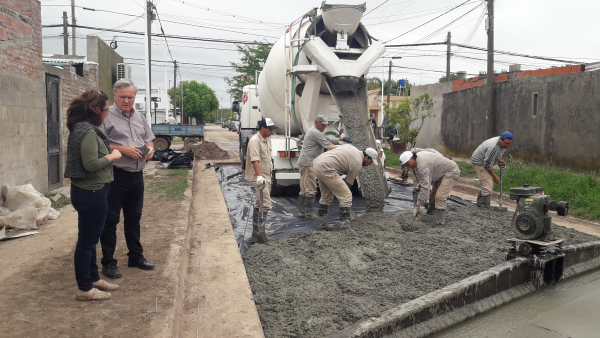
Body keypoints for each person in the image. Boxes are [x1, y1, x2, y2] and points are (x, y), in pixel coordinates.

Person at [64, 89, 122, 301]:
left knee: (89, 239)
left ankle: (94, 278)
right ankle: (85, 289)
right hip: (92, 193)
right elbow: (90, 165)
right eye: (106, 110)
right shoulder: (87, 132)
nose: (108, 114)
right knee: (86, 242)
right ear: (95, 110)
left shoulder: (82, 129)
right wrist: (112, 156)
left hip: (90, 192)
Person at [99, 79, 156, 279]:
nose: (126, 100)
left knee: (134, 218)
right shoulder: (106, 116)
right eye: (122, 96)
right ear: (114, 95)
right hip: (116, 175)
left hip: (137, 175)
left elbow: (148, 138)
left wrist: (150, 149)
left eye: (130, 97)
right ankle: (108, 262)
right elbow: (100, 145)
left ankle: (136, 256)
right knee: (111, 220)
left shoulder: (139, 116)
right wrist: (124, 150)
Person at [313, 145, 379, 230]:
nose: (370, 164)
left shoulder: (350, 147)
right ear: (366, 157)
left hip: (317, 164)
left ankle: (321, 224)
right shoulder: (357, 164)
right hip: (327, 168)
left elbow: (330, 148)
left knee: (326, 197)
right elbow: (347, 183)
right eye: (370, 162)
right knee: (346, 196)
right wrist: (344, 202)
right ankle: (344, 226)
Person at [296, 115, 350, 219]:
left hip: (304, 162)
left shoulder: (317, 131)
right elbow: (328, 146)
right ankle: (309, 214)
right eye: (322, 125)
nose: (324, 127)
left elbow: (328, 139)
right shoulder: (315, 132)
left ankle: (302, 212)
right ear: (316, 123)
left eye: (325, 125)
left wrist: (341, 139)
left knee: (304, 189)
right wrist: (344, 148)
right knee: (310, 189)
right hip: (308, 163)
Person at [399, 150, 460, 225]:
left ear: (411, 158)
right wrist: (418, 186)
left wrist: (418, 206)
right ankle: (431, 213)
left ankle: (440, 222)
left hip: (451, 172)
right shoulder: (417, 160)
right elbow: (422, 180)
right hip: (439, 173)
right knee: (432, 197)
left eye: (407, 164)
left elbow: (425, 187)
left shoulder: (422, 165)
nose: (408, 167)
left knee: (439, 197)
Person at [245, 117, 278, 244]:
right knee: (266, 203)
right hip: (258, 177)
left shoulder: (267, 139)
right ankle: (261, 232)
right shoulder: (255, 141)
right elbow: (255, 159)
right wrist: (259, 176)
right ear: (262, 128)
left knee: (259, 203)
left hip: (266, 175)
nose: (272, 131)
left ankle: (255, 230)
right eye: (270, 129)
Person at [471, 131, 514, 209]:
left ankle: (480, 204)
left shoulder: (502, 144)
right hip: (479, 162)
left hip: (484, 160)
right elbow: (487, 165)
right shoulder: (493, 147)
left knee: (486, 184)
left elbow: (495, 155)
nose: (507, 146)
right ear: (501, 139)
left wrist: (498, 160)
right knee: (488, 184)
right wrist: (495, 177)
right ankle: (485, 207)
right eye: (506, 143)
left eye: (509, 144)